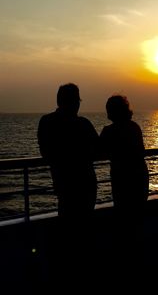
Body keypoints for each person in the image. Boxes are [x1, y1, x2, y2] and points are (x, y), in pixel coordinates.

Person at [37, 83, 99, 283]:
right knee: (83, 230)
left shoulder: (46, 122)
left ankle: (66, 273)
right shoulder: (83, 124)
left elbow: (45, 152)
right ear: (74, 102)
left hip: (64, 184)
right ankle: (80, 272)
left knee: (67, 226)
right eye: (77, 101)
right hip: (86, 184)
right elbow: (98, 150)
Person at [100, 95, 149, 268]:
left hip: (122, 179)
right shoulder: (135, 127)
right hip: (140, 177)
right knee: (137, 217)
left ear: (112, 111)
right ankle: (137, 256)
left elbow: (98, 150)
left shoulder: (108, 132)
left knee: (123, 217)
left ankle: (126, 259)